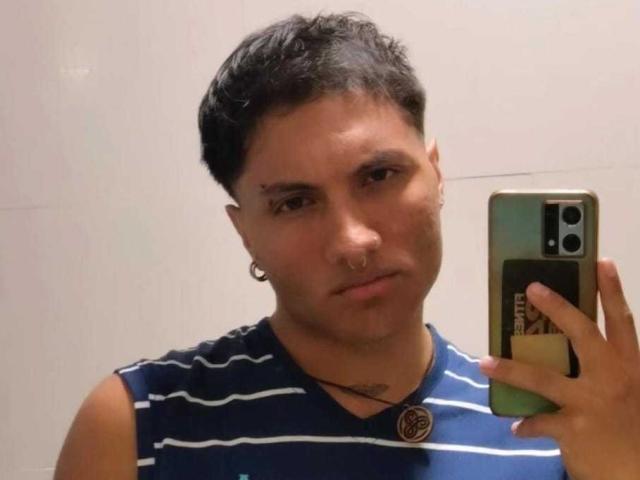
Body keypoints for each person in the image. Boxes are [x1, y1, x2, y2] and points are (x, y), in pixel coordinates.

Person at [54, 12, 640, 480]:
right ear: (244, 230)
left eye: (379, 176)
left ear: (435, 173)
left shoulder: (563, 433)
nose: (354, 242)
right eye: (294, 203)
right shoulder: (141, 425)